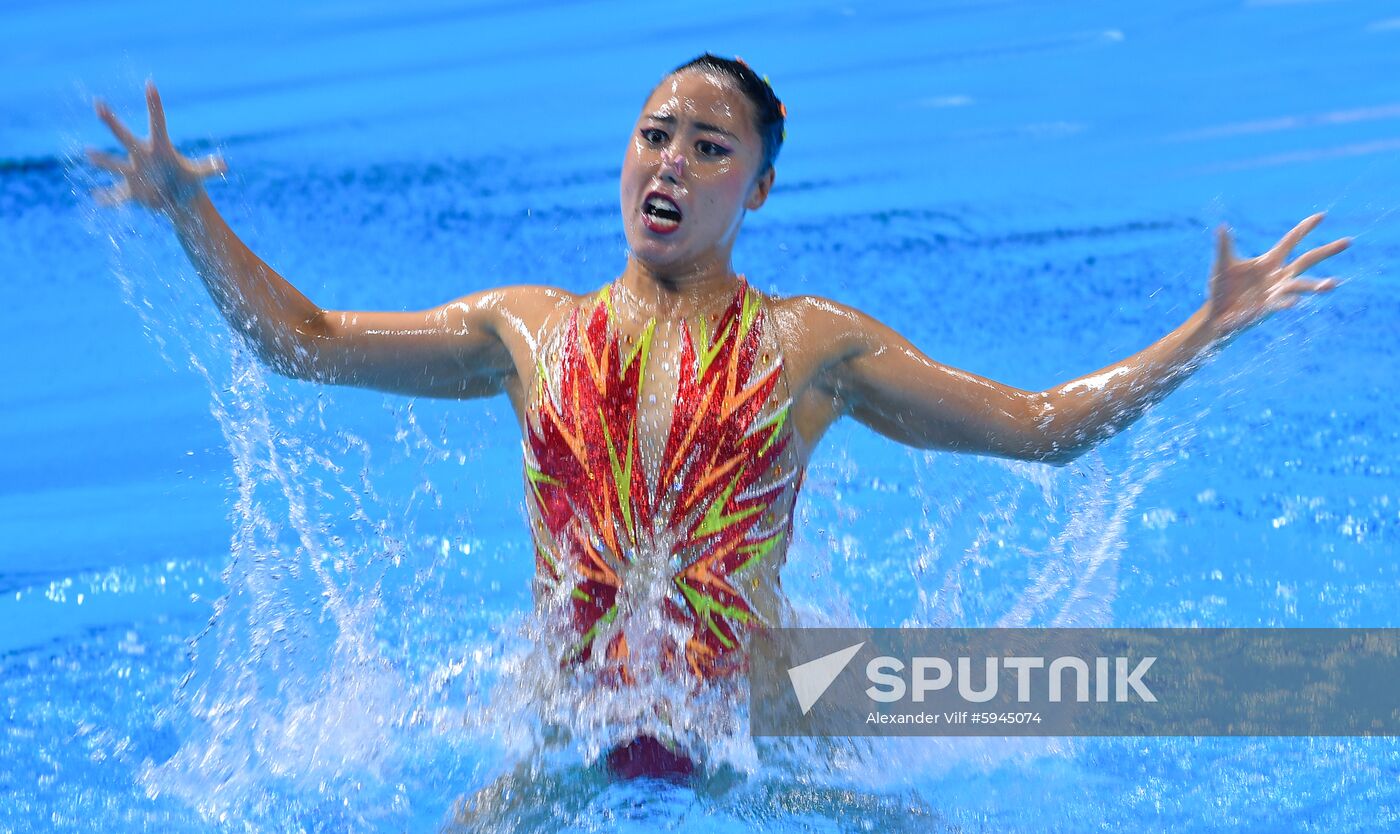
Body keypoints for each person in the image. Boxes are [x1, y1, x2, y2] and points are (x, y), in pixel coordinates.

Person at [87, 54, 1349, 780]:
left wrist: (1203, 331)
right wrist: (187, 213)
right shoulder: (525, 332)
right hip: (564, 729)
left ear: (758, 185)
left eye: (706, 145)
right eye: (653, 137)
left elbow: (1035, 427)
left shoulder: (811, 348)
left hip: (758, 729)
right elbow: (298, 344)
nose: (670, 163)